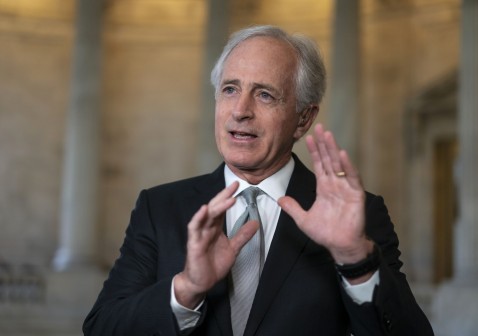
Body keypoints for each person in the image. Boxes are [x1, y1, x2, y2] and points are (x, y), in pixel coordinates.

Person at [83, 25, 433, 336]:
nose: (240, 110)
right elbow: (102, 327)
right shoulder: (160, 208)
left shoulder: (359, 217)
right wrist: (186, 289)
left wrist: (355, 259)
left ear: (303, 118)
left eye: (265, 94)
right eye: (230, 89)